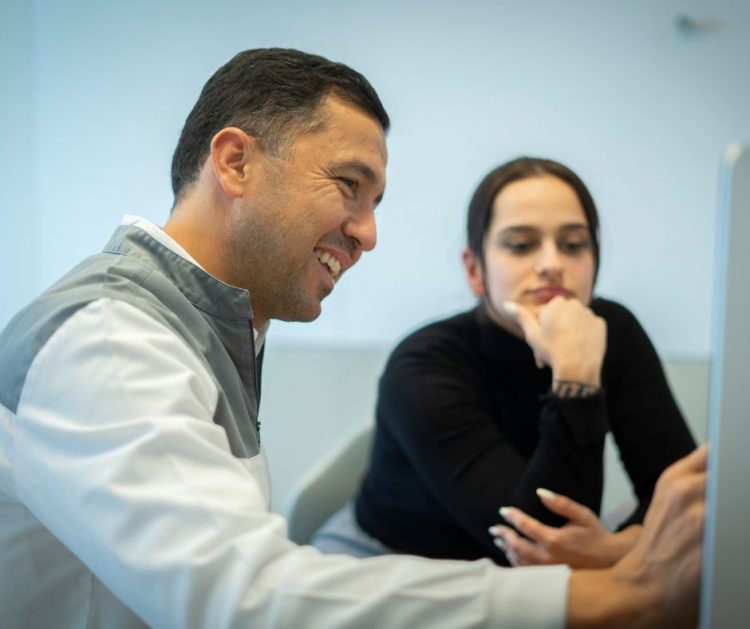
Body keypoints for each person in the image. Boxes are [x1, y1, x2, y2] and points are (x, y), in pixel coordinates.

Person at [0, 48, 704, 628]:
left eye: (375, 203)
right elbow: (243, 599)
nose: (368, 234)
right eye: (348, 185)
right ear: (236, 162)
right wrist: (616, 592)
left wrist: (616, 557)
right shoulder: (112, 340)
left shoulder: (214, 325)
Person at [314, 157, 696, 569]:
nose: (552, 264)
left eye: (573, 245)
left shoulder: (613, 331)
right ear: (475, 269)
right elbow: (537, 541)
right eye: (520, 244)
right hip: (394, 560)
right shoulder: (422, 364)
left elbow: (687, 499)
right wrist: (575, 375)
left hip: (544, 563)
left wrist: (617, 549)